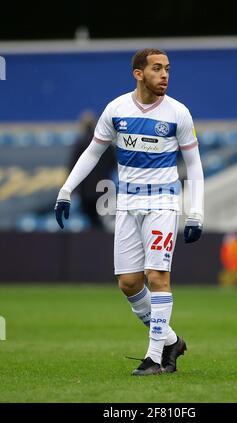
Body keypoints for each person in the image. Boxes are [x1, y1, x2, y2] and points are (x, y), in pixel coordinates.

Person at [55, 48, 204, 376]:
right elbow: (92, 154)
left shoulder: (178, 113)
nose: (164, 75)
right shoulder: (116, 109)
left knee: (157, 277)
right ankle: (172, 341)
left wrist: (196, 212)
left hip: (163, 202)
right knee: (129, 283)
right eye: (156, 68)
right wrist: (66, 190)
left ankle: (153, 358)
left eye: (167, 68)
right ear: (138, 73)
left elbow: (193, 164)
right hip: (127, 204)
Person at [69, 110, 117, 229]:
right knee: (105, 225)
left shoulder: (79, 144)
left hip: (86, 192)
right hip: (104, 190)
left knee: (92, 223)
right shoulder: (106, 143)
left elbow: (73, 167)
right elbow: (115, 165)